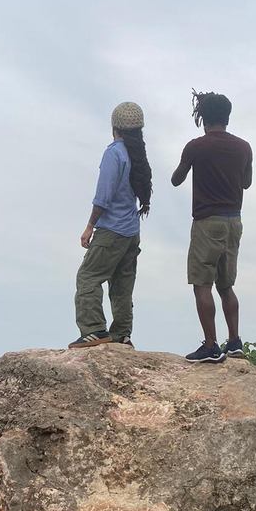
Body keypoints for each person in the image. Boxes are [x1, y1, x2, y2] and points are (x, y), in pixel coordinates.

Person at [171, 90, 253, 363]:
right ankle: (235, 342)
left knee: (201, 283)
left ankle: (210, 346)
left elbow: (176, 179)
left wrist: (188, 164)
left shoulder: (196, 146)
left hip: (208, 221)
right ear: (227, 117)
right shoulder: (244, 147)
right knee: (226, 285)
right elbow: (246, 183)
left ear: (203, 117)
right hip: (234, 221)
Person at [68, 102, 152, 350]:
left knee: (88, 277)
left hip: (112, 230)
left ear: (114, 127)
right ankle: (122, 335)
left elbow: (103, 196)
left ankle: (93, 330)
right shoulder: (138, 155)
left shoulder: (114, 153)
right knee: (122, 285)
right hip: (131, 232)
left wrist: (89, 226)